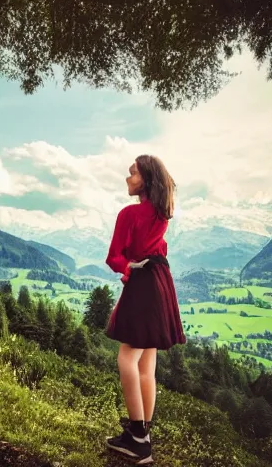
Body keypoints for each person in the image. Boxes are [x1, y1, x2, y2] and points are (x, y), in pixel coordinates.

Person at [104, 154, 186, 465]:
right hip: (162, 282)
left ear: (146, 180)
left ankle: (137, 439)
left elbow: (114, 257)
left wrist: (126, 269)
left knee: (126, 356)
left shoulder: (129, 214)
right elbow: (160, 251)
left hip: (142, 283)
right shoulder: (162, 216)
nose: (127, 178)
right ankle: (142, 435)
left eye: (132, 173)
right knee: (146, 362)